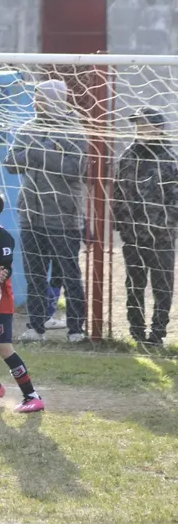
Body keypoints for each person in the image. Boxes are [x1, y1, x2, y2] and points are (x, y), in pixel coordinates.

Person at [4, 79, 88, 343]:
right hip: (31, 214)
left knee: (69, 273)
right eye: (35, 97)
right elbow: (10, 162)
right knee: (35, 274)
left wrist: (38, 154)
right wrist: (43, 152)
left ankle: (76, 329)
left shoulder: (74, 130)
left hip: (63, 215)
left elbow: (76, 168)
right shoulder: (28, 128)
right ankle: (36, 326)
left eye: (41, 97)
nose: (36, 102)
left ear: (55, 99)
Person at [0, 187, 45, 413]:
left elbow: (5, 267)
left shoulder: (3, 237)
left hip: (0, 302)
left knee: (4, 348)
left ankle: (32, 396)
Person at [113, 107, 178, 346]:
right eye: (137, 124)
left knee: (162, 288)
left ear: (158, 128)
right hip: (133, 237)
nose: (139, 129)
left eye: (144, 124)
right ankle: (137, 332)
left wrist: (164, 225)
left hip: (162, 238)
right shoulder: (128, 156)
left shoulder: (169, 159)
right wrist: (123, 225)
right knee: (134, 285)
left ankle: (157, 334)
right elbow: (118, 194)